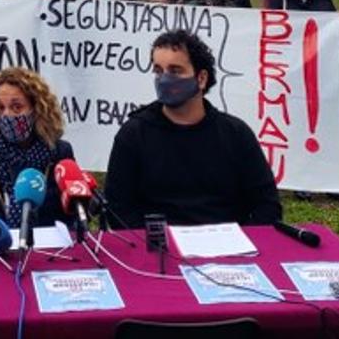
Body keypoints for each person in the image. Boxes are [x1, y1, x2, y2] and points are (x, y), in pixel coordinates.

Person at [105, 29, 281, 226]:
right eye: (158, 70)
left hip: (229, 247)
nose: (164, 79)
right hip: (159, 248)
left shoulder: (235, 134)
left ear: (201, 78)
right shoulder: (134, 134)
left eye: (175, 70)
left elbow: (267, 205)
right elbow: (118, 208)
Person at [0, 67, 75, 233]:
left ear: (36, 108)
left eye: (17, 107)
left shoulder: (60, 153)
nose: (7, 115)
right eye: (0, 108)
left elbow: (73, 218)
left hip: (50, 252)